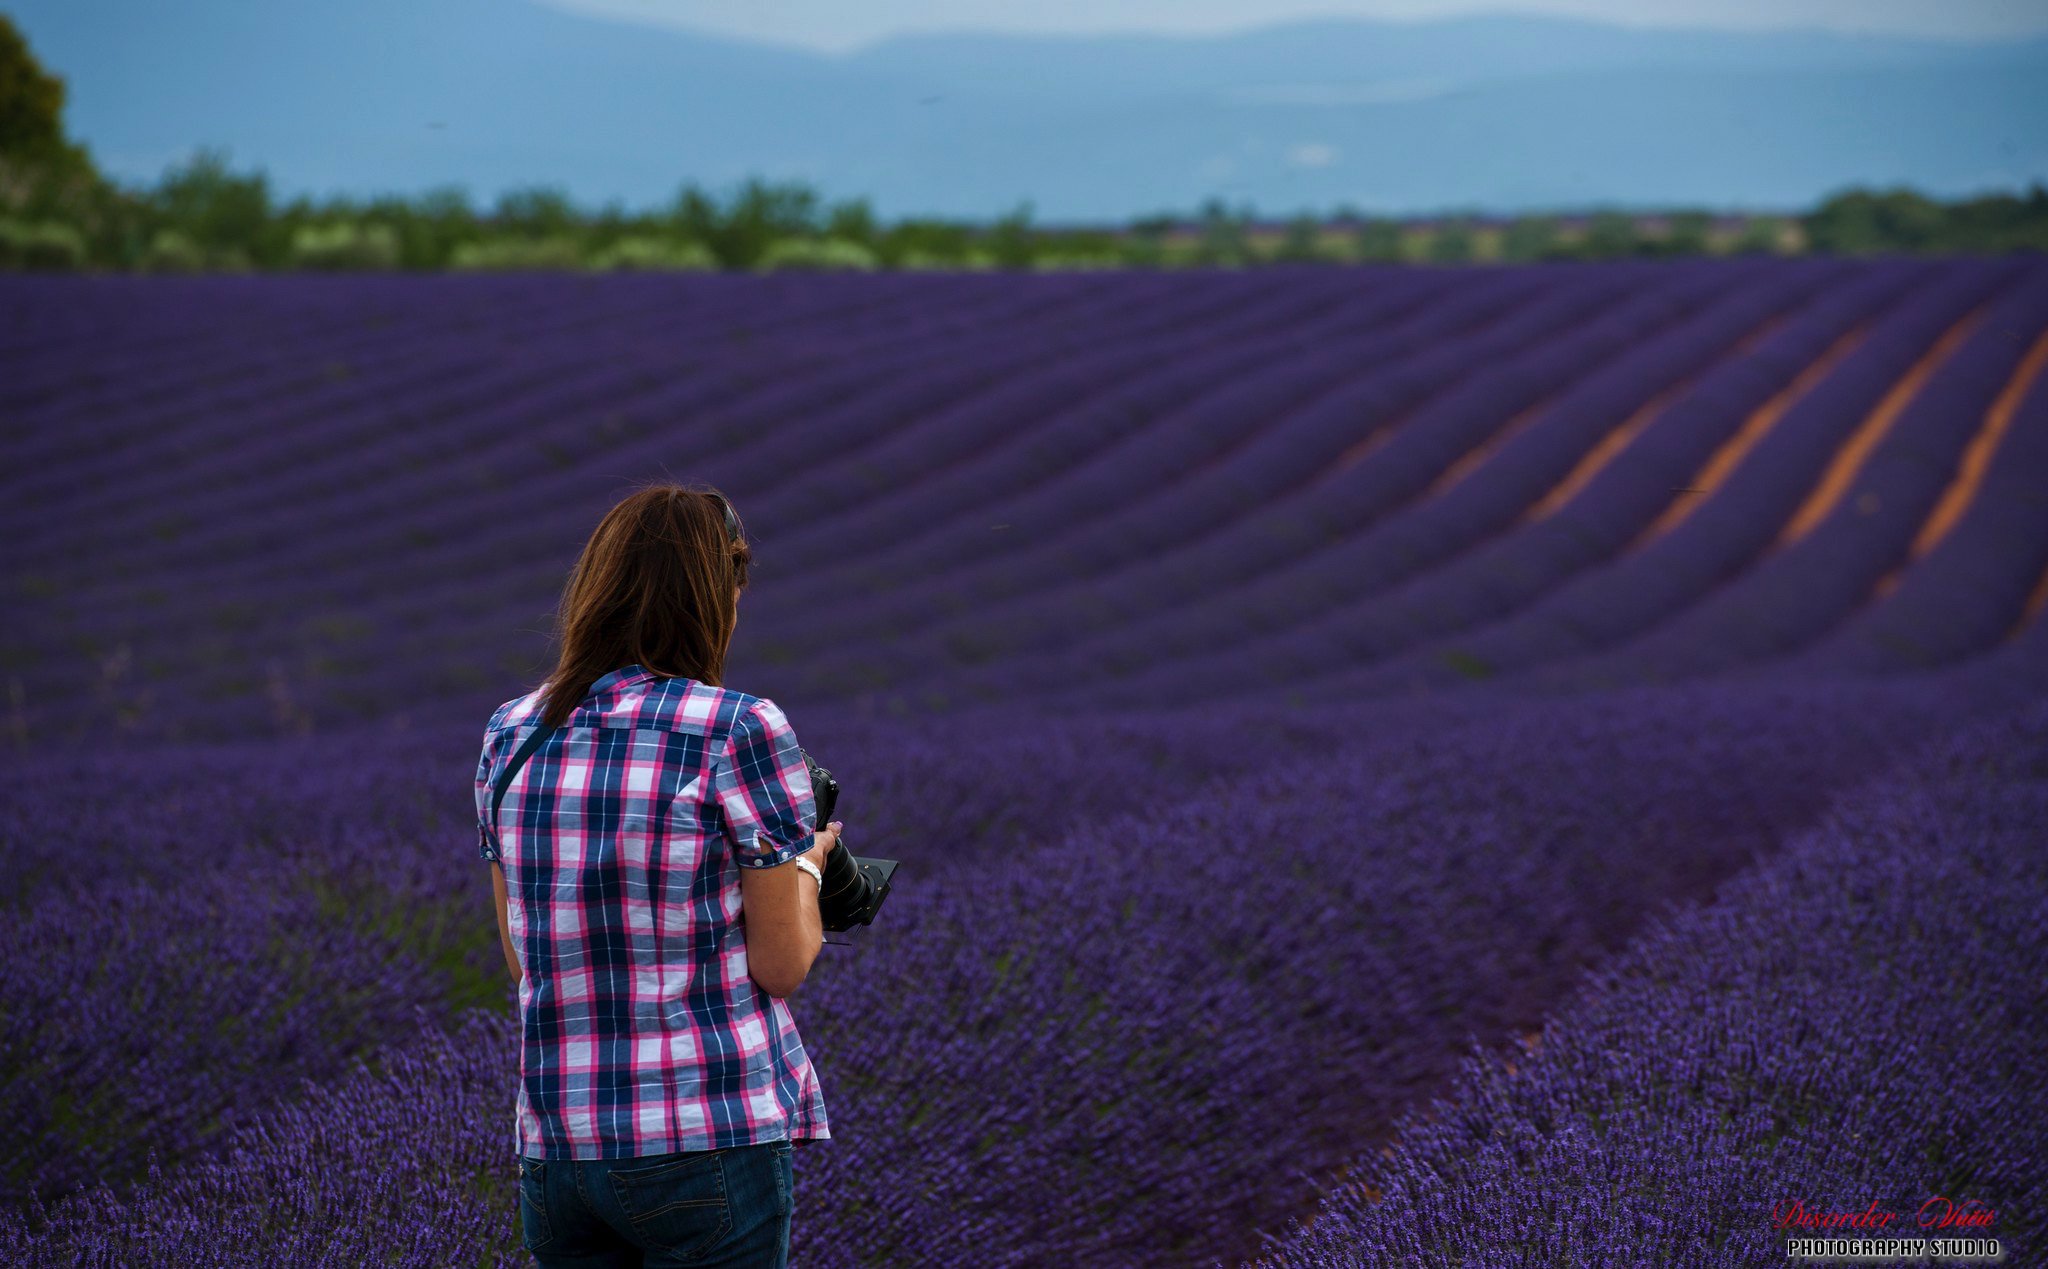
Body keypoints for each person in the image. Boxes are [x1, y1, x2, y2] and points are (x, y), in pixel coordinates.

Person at [473, 483, 837, 1268]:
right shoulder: (738, 726)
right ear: (712, 599)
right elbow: (781, 963)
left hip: (559, 1149)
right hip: (703, 1135)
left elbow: (520, 953)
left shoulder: (511, 732)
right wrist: (811, 863)